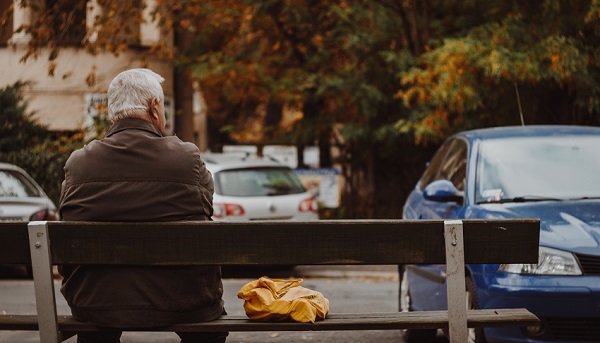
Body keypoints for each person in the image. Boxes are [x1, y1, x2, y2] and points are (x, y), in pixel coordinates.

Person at [59, 68, 227, 343]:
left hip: (96, 302)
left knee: (101, 312)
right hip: (182, 299)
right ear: (154, 107)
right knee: (206, 325)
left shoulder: (79, 164)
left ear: (113, 112)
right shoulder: (187, 159)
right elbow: (205, 208)